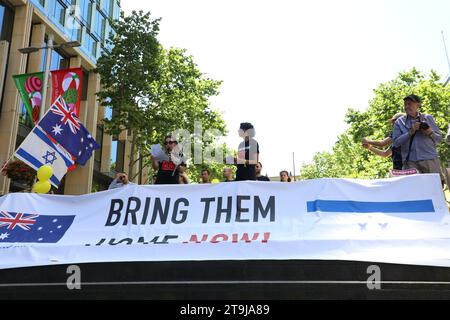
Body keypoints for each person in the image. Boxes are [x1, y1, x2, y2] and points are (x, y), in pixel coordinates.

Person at [392, 94, 444, 183]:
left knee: (435, 188)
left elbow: (439, 139)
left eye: (410, 104)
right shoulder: (399, 122)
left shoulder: (428, 118)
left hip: (430, 160)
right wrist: (410, 132)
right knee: (414, 192)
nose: (407, 106)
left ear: (418, 105)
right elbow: (396, 143)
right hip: (410, 163)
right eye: (405, 104)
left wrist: (430, 132)